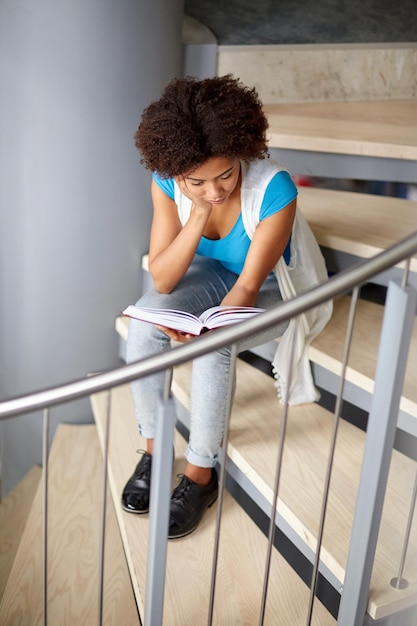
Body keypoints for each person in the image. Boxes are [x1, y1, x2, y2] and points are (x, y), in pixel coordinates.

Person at [122, 74, 332, 539]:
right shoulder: (168, 181)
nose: (215, 191)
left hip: (275, 287)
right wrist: (196, 214)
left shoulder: (273, 189)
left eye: (225, 175)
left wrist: (201, 330)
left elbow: (247, 291)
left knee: (214, 345)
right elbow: (163, 277)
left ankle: (201, 474)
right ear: (176, 172)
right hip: (215, 273)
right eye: (196, 181)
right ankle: (156, 452)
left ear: (241, 153)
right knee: (143, 325)